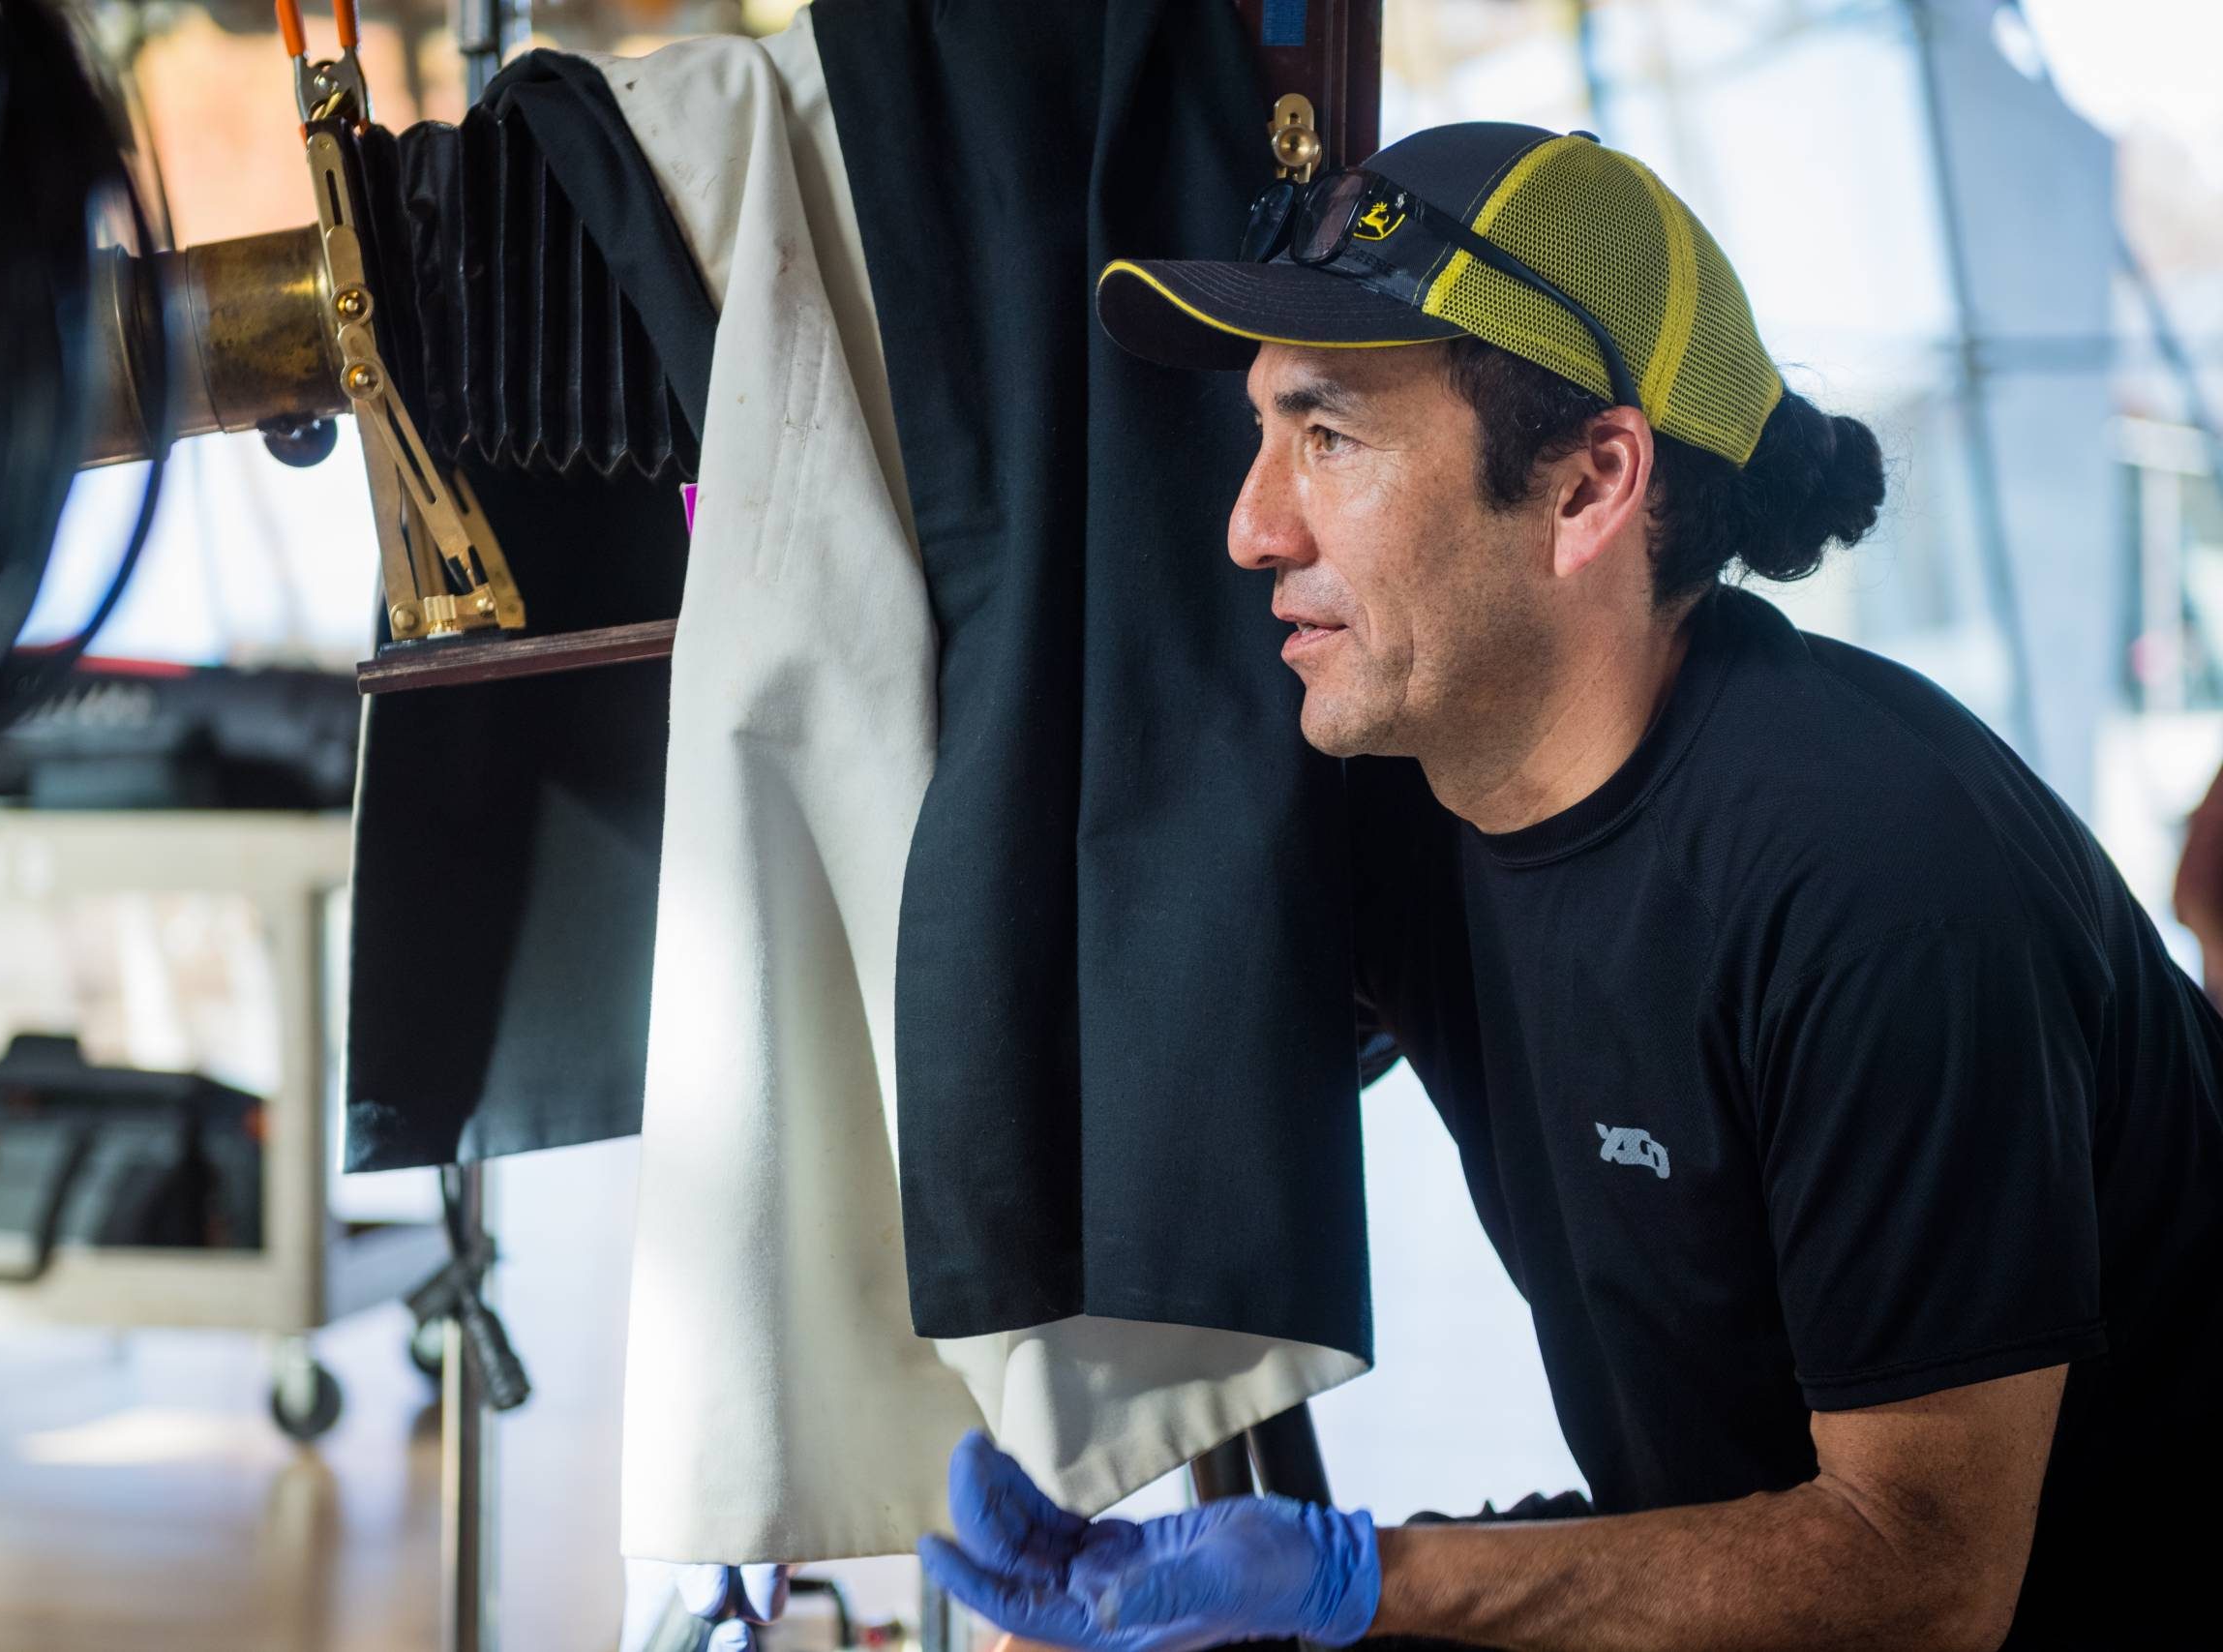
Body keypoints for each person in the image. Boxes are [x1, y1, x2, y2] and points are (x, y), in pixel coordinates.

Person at [914, 122, 2222, 1652]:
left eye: (1328, 437)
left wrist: (1359, 1581)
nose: (1252, 526)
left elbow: (1922, 1575)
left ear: (1592, 483)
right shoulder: (1402, 812)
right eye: (1262, 435)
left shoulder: (1872, 876)